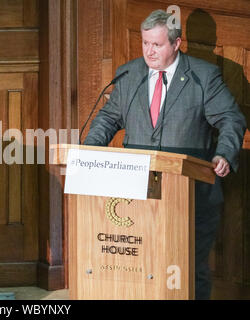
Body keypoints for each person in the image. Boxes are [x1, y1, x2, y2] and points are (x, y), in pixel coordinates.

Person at [84, 10, 247, 299]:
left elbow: (231, 119)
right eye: (145, 43)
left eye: (157, 45)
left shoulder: (203, 76)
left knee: (189, 267)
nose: (149, 51)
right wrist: (88, 154)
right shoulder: (129, 73)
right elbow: (108, 119)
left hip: (191, 192)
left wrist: (223, 154)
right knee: (139, 264)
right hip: (136, 192)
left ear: (176, 43)